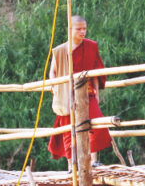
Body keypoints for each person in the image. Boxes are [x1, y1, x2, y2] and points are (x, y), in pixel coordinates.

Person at [48, 16, 112, 168]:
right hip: (66, 95)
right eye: (79, 29)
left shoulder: (91, 46)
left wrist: (96, 91)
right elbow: (53, 72)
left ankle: (93, 160)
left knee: (96, 125)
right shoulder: (59, 51)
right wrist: (55, 87)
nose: (83, 32)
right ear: (70, 29)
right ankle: (72, 165)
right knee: (69, 131)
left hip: (87, 93)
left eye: (84, 28)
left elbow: (96, 70)